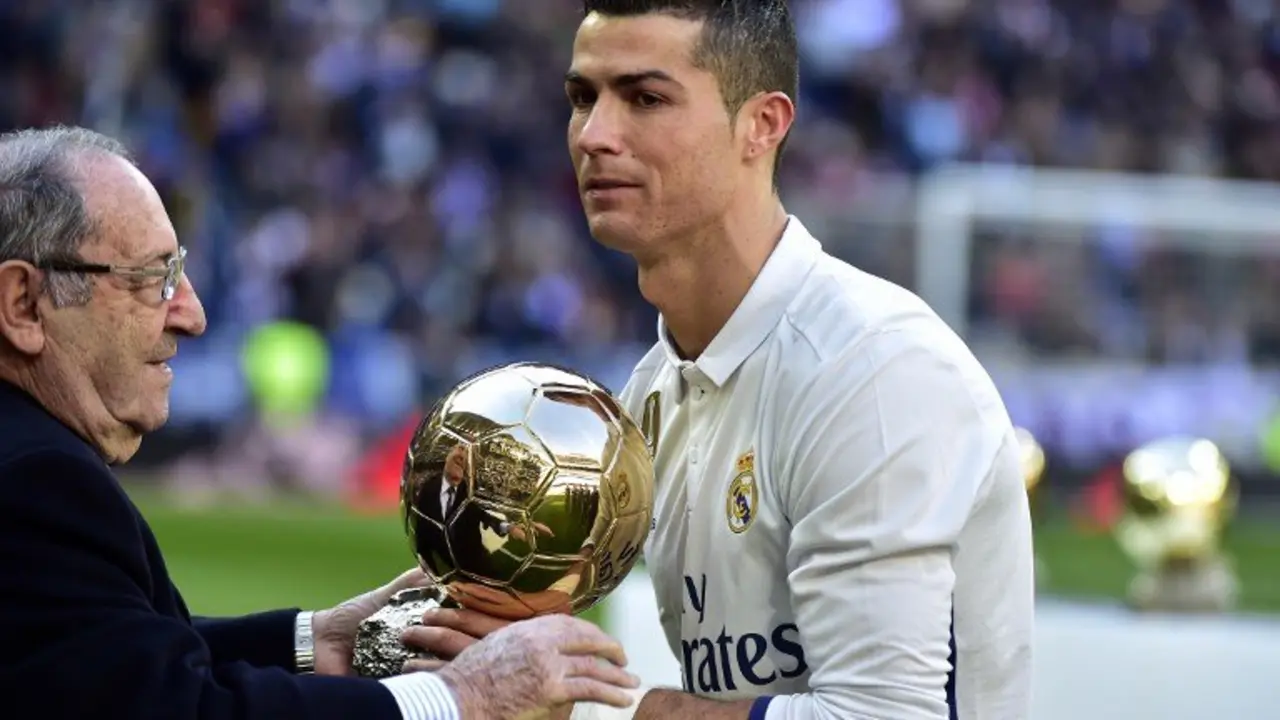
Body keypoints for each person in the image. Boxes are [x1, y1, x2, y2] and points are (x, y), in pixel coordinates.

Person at [404, 1, 1035, 719]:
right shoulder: (652, 391)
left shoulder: (874, 368)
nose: (595, 135)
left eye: (645, 98)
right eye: (584, 98)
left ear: (762, 125)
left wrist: (632, 711)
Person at [0, 125, 642, 720]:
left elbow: (111, 656)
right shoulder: (39, 483)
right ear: (24, 302)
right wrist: (460, 695)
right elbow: (177, 708)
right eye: (151, 279)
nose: (191, 314)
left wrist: (321, 640)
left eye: (180, 272)